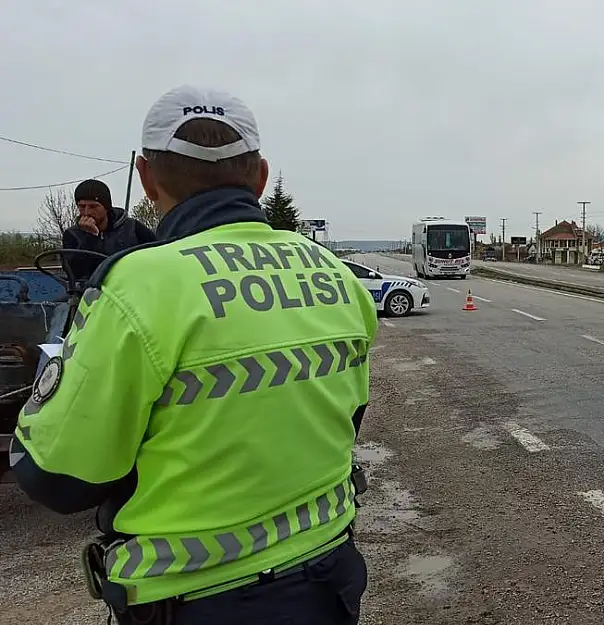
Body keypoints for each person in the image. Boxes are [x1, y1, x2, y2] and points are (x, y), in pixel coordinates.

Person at [9, 85, 378, 624]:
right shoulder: (337, 278)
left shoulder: (140, 285)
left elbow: (56, 476)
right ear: (260, 177)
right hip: (328, 584)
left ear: (145, 177)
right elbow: (345, 419)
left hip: (195, 600)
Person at [61, 179, 158, 282]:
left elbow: (158, 253)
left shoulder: (132, 228)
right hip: (90, 290)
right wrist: (90, 238)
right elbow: (74, 273)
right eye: (82, 207)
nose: (87, 212)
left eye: (93, 206)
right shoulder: (72, 235)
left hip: (131, 284)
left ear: (106, 207)